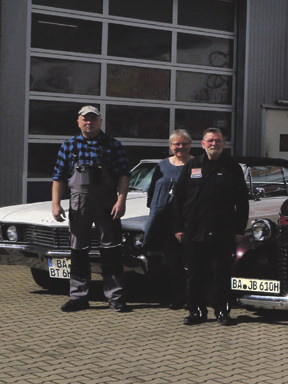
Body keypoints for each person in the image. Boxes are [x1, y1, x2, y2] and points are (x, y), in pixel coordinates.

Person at [50, 105, 133, 313]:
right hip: (79, 203)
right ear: (78, 122)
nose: (89, 122)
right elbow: (59, 177)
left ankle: (116, 297)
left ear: (100, 121)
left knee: (111, 250)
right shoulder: (69, 146)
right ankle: (78, 297)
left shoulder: (112, 145)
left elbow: (124, 175)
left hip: (107, 203)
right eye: (85, 119)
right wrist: (55, 203)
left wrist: (121, 200)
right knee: (78, 251)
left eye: (93, 119)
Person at [172, 128, 248, 326]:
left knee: (221, 274)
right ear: (203, 144)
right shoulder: (192, 165)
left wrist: (239, 230)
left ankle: (222, 311)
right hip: (194, 230)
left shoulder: (232, 168)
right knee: (194, 274)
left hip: (223, 232)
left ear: (224, 144)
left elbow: (242, 202)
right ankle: (196, 312)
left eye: (218, 141)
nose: (214, 144)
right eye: (210, 141)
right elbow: (178, 200)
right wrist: (179, 228)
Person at [146, 130, 192, 309]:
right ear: (171, 146)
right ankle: (178, 296)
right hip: (166, 222)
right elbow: (152, 191)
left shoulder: (196, 164)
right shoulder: (162, 165)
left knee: (190, 261)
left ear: (190, 145)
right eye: (176, 144)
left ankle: (193, 297)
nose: (180, 147)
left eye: (184, 144)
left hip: (188, 221)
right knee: (173, 262)